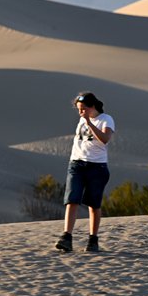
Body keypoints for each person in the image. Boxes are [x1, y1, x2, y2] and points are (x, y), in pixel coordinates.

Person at [55, 92, 115, 253]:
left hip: (97, 167)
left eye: (83, 109)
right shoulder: (82, 119)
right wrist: (85, 120)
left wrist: (89, 122)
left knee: (93, 204)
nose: (80, 112)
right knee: (72, 199)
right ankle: (66, 237)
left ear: (92, 107)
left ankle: (93, 240)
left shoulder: (106, 119)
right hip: (77, 164)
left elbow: (105, 138)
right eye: (78, 109)